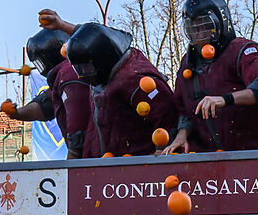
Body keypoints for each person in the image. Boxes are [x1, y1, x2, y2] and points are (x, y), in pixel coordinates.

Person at [170, 0, 258, 154]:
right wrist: (181, 135)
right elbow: (182, 108)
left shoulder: (242, 50)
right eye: (194, 30)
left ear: (221, 24)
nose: (200, 36)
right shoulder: (187, 64)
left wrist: (225, 99)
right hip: (215, 161)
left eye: (205, 27)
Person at [65, 23, 177, 159]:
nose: (83, 75)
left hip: (134, 167)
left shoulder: (134, 80)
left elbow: (167, 115)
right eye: (80, 69)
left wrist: (161, 155)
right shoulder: (106, 74)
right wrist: (61, 25)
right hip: (108, 164)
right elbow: (91, 32)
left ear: (103, 59)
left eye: (87, 68)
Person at [6, 20, 96, 159]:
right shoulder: (64, 76)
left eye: (41, 61)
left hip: (94, 157)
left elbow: (78, 126)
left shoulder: (69, 73)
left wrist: (73, 158)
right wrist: (16, 113)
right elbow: (45, 105)